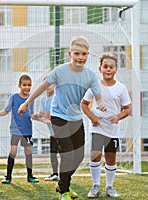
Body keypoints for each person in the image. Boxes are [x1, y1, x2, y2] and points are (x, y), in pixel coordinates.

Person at [18, 36, 107, 200]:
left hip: (76, 118)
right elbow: (42, 87)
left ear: (88, 55)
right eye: (77, 54)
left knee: (79, 156)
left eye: (84, 54)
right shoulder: (60, 71)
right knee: (67, 154)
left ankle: (62, 184)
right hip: (58, 116)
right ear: (70, 54)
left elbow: (98, 95)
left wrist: (100, 103)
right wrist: (26, 103)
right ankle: (65, 192)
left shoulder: (90, 75)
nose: (81, 57)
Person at [81, 52, 132, 198]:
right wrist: (92, 117)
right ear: (100, 69)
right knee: (95, 155)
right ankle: (95, 186)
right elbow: (84, 104)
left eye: (111, 67)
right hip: (97, 128)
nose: (108, 69)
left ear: (115, 69)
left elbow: (128, 109)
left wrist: (118, 116)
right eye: (105, 66)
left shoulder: (120, 88)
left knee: (110, 158)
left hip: (113, 130)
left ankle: (110, 187)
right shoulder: (94, 86)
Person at [0, 74, 39, 184]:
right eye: (24, 85)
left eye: (29, 85)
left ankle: (30, 176)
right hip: (15, 129)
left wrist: (40, 117)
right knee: (13, 150)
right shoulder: (14, 97)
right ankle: (8, 176)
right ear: (19, 85)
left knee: (28, 151)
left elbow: (31, 114)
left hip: (27, 130)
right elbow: (6, 110)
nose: (27, 87)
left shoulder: (31, 98)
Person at [32, 78, 59, 181]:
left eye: (51, 84)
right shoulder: (43, 99)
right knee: (53, 153)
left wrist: (48, 116)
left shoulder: (57, 98)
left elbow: (59, 115)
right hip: (52, 132)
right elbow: (42, 115)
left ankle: (65, 175)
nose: (48, 86)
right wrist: (36, 117)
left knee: (64, 154)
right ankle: (55, 174)